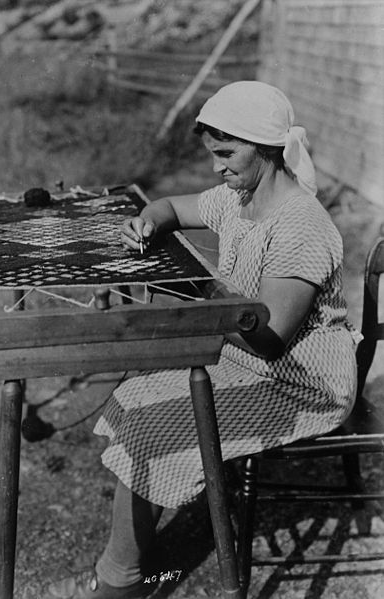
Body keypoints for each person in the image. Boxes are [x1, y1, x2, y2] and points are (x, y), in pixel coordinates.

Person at [48, 81, 359, 599]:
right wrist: (144, 225)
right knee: (133, 396)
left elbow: (272, 338)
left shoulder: (300, 224)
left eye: (227, 154)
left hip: (300, 383)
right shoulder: (238, 199)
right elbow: (169, 207)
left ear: (267, 148)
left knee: (153, 428)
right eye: (212, 154)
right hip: (251, 364)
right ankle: (129, 559)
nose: (217, 167)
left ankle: (121, 580)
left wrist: (198, 295)